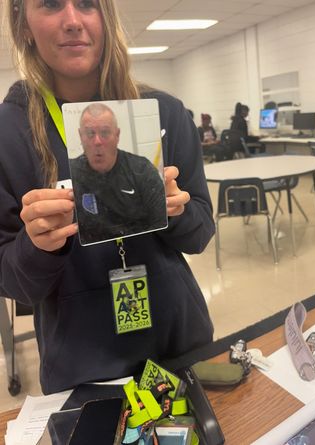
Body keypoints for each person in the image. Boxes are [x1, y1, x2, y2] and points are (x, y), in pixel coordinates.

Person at [0, 0, 215, 393]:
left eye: (86, 4)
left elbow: (200, 234)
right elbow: (11, 282)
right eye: (50, 4)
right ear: (23, 24)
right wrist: (38, 246)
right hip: (81, 369)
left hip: (180, 345)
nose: (72, 21)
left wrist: (176, 211)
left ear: (106, 17)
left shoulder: (164, 113)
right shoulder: (8, 133)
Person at [70, 103, 166, 244]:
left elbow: (161, 224)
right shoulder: (71, 173)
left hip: (140, 251)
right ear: (80, 135)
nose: (97, 141)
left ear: (117, 135)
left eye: (104, 133)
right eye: (90, 133)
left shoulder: (141, 169)